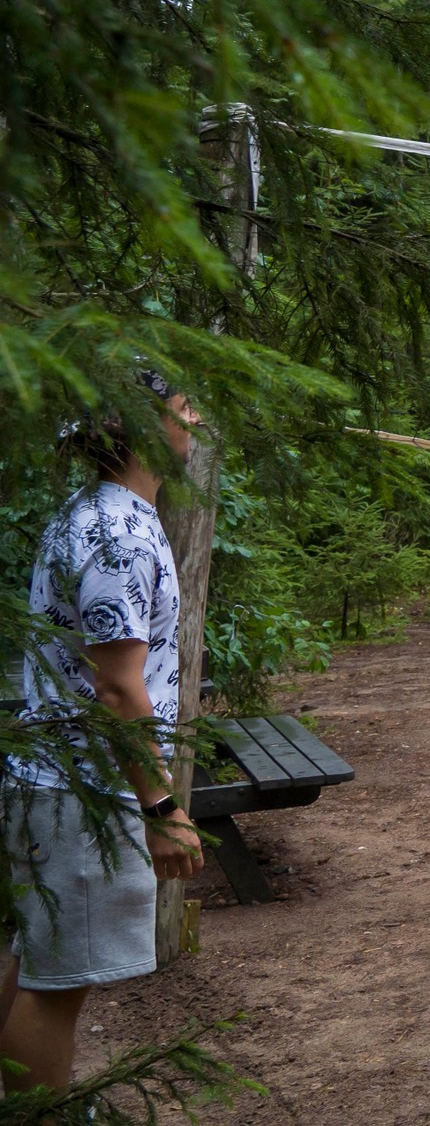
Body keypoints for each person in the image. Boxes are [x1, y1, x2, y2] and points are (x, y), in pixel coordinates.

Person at [1, 374, 207, 1098]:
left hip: (62, 782)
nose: (197, 420)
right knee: (57, 986)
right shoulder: (116, 530)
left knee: (40, 965)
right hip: (83, 789)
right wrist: (160, 808)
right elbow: (117, 684)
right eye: (185, 410)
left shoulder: (103, 513)